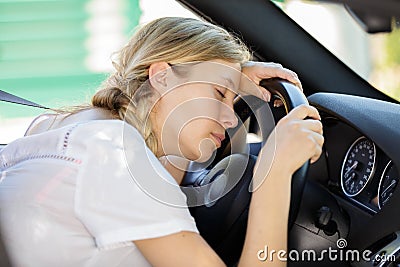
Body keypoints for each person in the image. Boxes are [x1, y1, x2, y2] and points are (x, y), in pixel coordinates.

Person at [0, 17, 323, 267]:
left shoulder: (66, 126)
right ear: (162, 75)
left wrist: (228, 77)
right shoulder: (116, 157)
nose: (230, 118)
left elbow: (155, 192)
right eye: (219, 94)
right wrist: (275, 171)